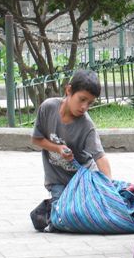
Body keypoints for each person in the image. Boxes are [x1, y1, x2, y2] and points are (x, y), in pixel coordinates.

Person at [32, 70, 112, 202]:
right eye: (82, 99)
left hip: (82, 180)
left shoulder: (87, 126)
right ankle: (51, 208)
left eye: (89, 103)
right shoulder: (48, 108)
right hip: (56, 181)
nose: (84, 107)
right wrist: (57, 148)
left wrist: (110, 188)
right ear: (69, 90)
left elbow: (100, 156)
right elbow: (36, 139)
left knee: (84, 212)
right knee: (63, 217)